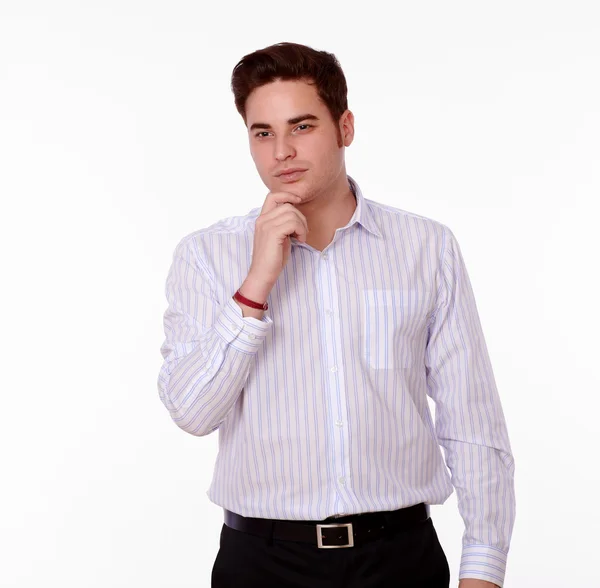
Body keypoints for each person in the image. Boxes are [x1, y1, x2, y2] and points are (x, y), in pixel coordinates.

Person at [157, 41, 516, 588]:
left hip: (399, 559)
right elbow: (191, 412)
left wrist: (484, 568)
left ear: (345, 127)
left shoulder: (426, 248)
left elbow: (470, 418)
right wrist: (256, 285)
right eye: (263, 133)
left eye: (302, 127)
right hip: (262, 563)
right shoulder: (206, 257)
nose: (282, 151)